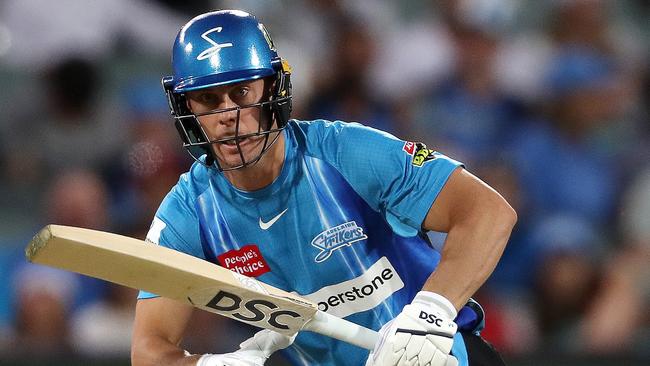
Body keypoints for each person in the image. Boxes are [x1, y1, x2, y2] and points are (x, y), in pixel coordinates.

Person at [131, 10, 516, 366]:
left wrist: (430, 312)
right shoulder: (187, 212)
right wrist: (208, 365)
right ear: (187, 108)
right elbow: (149, 349)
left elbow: (488, 211)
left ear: (271, 89)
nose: (228, 115)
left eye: (242, 92)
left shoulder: (346, 153)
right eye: (208, 98)